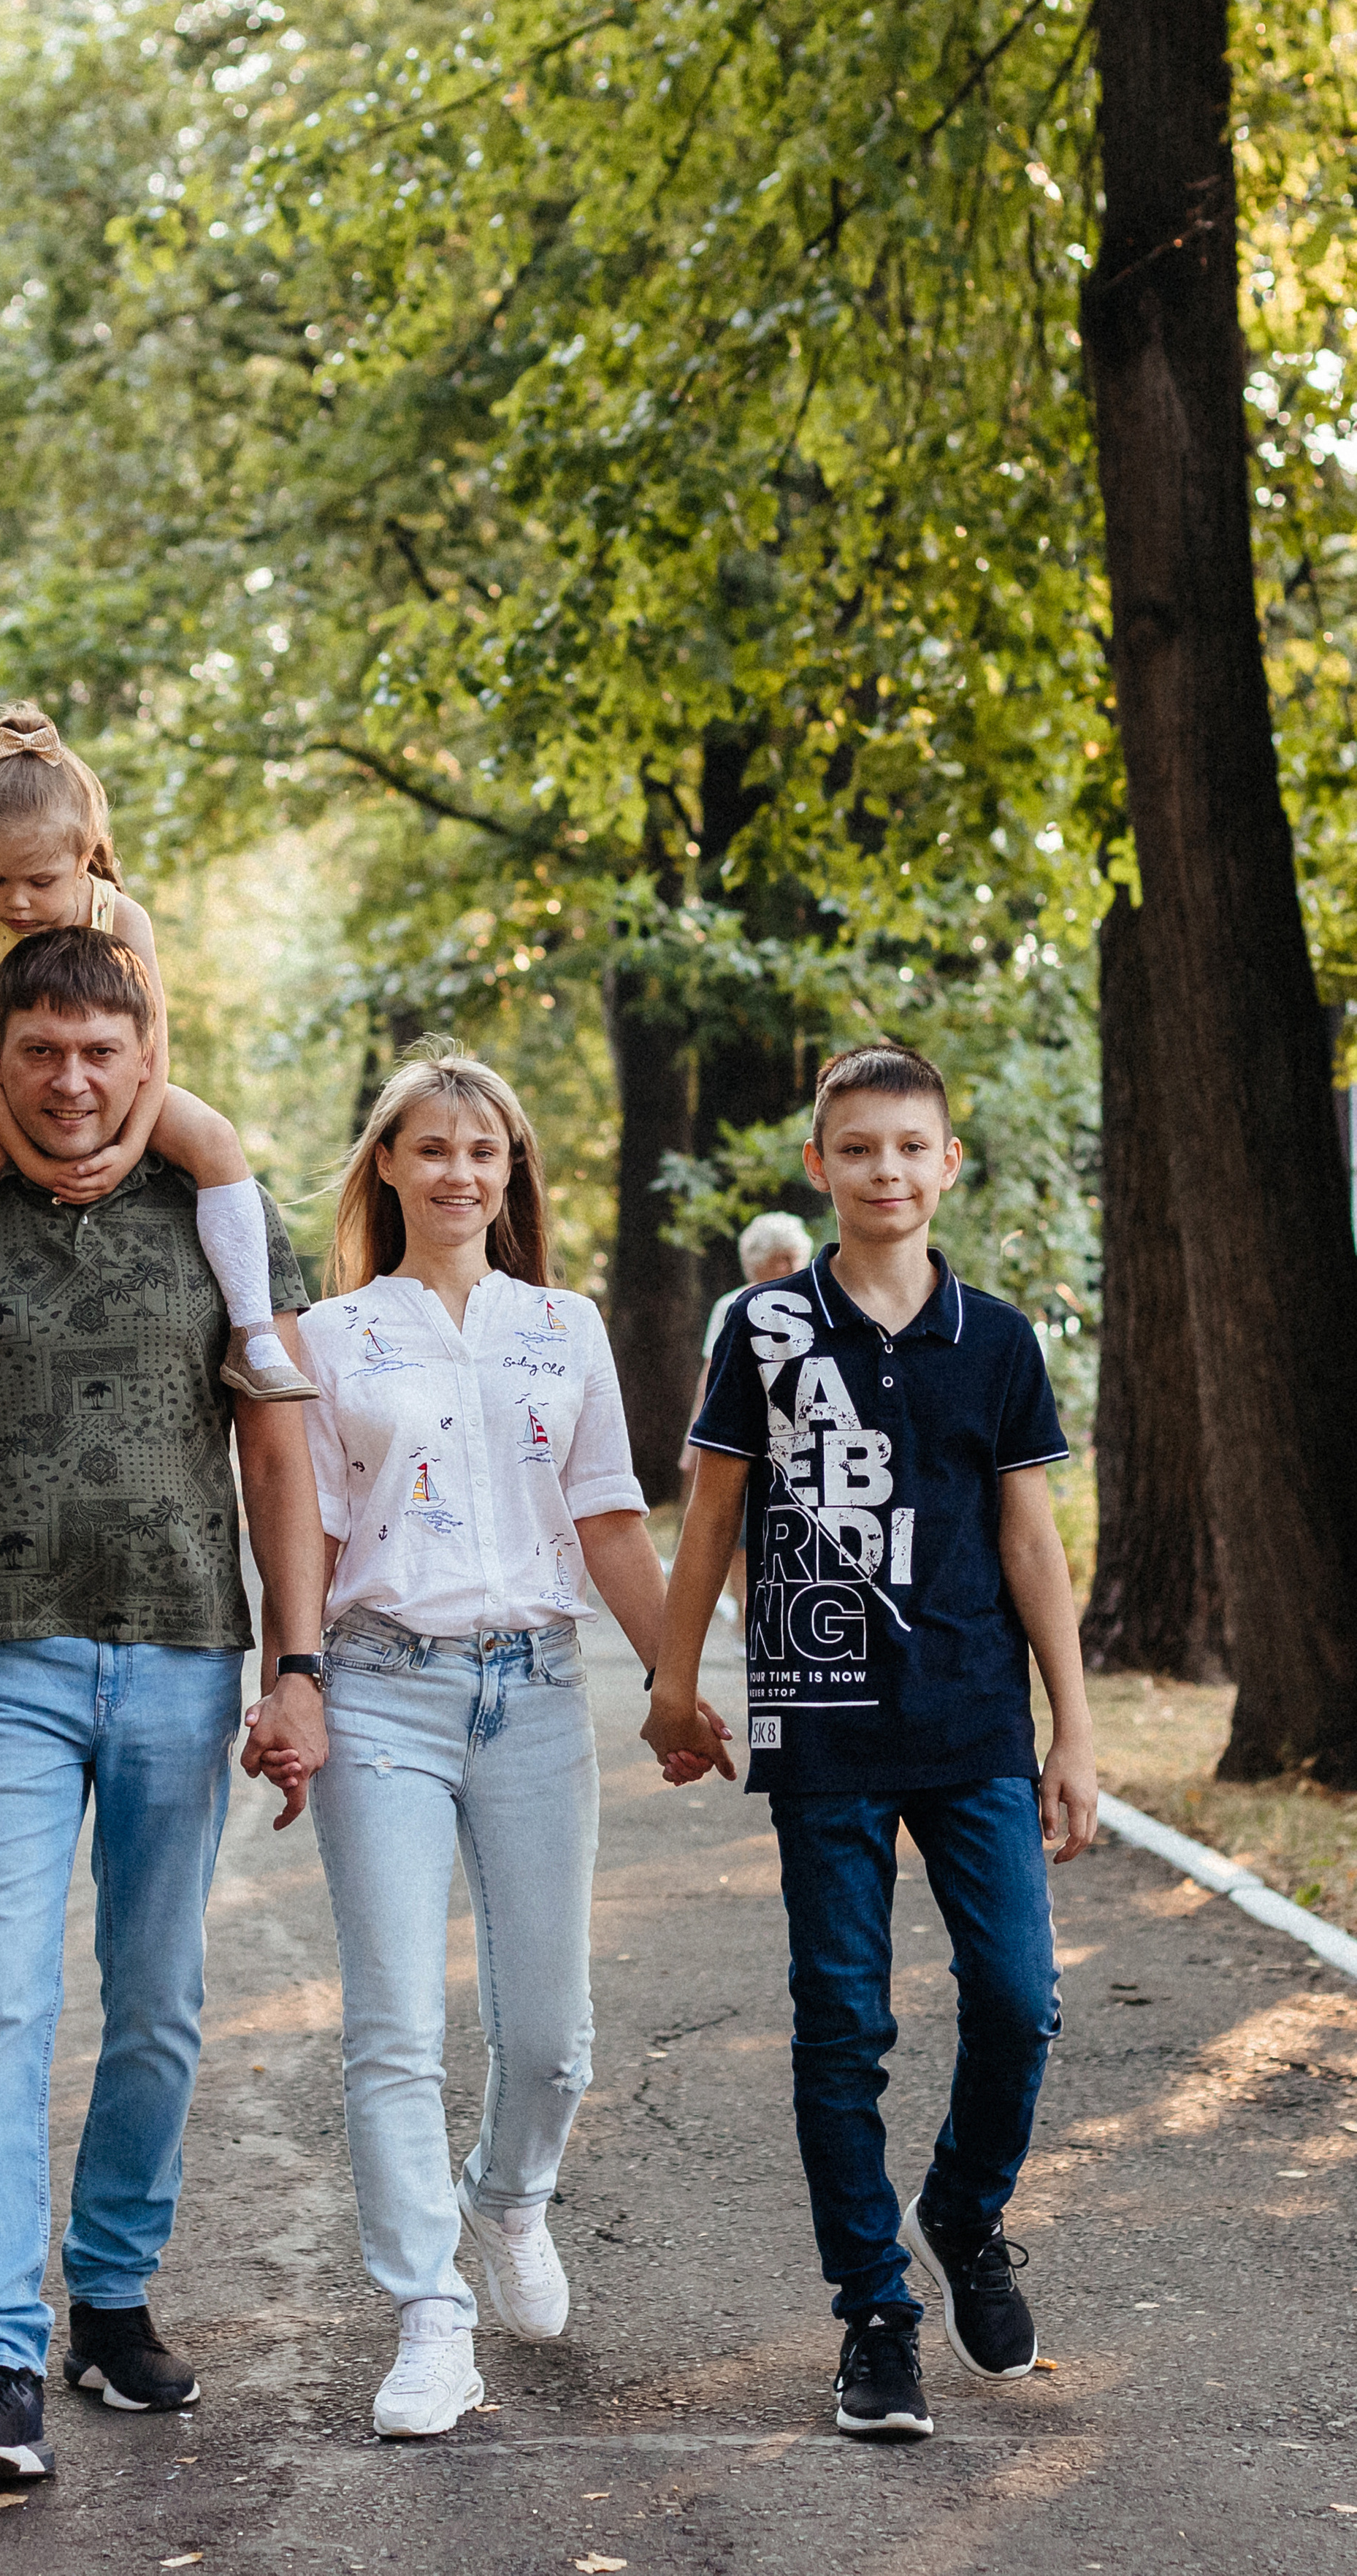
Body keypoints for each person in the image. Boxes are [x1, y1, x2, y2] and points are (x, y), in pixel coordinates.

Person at [0, 926, 329, 2487]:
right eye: (36, 1050)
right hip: (3, 1655)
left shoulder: (221, 1218)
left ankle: (108, 2291)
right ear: (3, 1056)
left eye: (96, 1051)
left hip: (183, 1649)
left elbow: (276, 1454)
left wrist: (295, 1666)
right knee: (0, 1991)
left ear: (142, 1053)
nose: (67, 1079)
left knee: (160, 2000)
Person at [643, 1041, 1097, 2442]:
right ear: (819, 1166)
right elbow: (712, 1517)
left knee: (1019, 1998)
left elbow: (1031, 1536)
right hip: (821, 1725)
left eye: (912, 1147)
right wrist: (673, 1680)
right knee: (844, 2024)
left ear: (947, 1163)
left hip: (973, 1725)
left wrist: (1073, 1727)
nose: (886, 1171)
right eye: (859, 1149)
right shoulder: (766, 1333)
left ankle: (964, 2212)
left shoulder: (1002, 1339)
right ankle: (875, 2317)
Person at [293, 1048, 735, 2441]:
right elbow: (302, 1537)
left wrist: (680, 1680)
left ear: (510, 1173)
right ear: (388, 1165)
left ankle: (508, 2195)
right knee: (394, 2025)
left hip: (536, 1690)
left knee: (549, 2039)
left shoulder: (566, 1326)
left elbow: (608, 1522)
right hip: (379, 1688)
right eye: (431, 1149)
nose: (459, 1174)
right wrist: (292, 1680)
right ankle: (429, 2314)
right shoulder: (332, 1337)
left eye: (483, 1152)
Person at [0, 704, 315, 1445]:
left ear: (85, 856)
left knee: (216, 1139)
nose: (15, 901)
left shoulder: (123, 918)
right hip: (6, 1102)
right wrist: (36, 1159)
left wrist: (128, 1150)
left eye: (39, 881)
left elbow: (154, 1054)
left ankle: (254, 1336)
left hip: (124, 1093)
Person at [678, 1211, 816, 1614]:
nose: (790, 1268)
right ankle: (744, 1616)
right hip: (742, 1431)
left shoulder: (809, 1304)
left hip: (794, 1433)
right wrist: (694, 1442)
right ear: (757, 1260)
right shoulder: (733, 1306)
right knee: (736, 1530)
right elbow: (710, 1379)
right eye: (780, 1259)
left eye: (795, 1257)